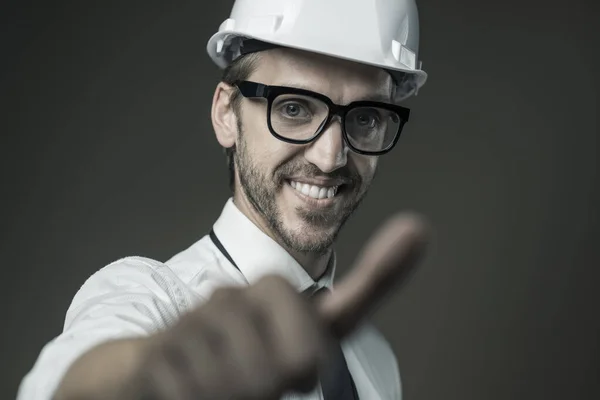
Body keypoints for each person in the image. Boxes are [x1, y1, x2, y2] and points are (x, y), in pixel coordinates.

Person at [18, 0, 430, 399]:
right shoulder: (157, 304)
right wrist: (147, 380)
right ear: (226, 115)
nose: (330, 157)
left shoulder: (376, 361)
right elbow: (68, 382)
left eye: (365, 118)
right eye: (293, 108)